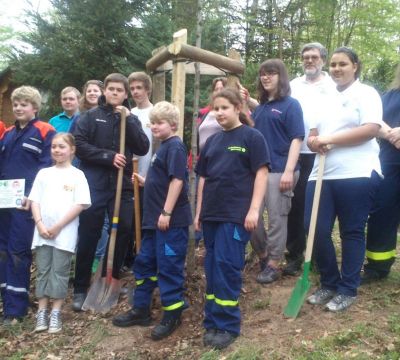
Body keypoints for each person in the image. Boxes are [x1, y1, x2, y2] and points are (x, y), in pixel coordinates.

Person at [306, 47, 382, 312]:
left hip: (357, 172)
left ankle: (348, 288)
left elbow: (371, 129)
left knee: (351, 231)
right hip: (322, 173)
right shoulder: (323, 97)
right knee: (313, 228)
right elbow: (313, 134)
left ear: (355, 66)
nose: (337, 69)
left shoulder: (367, 93)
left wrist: (330, 139)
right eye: (334, 65)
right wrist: (315, 142)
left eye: (343, 64)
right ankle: (329, 282)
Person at [194, 88, 270, 350]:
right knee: (213, 269)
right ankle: (213, 320)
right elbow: (203, 179)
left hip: (235, 215)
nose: (219, 113)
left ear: (238, 108)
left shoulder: (252, 137)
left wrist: (254, 210)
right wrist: (198, 213)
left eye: (224, 107)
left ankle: (228, 324)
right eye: (216, 108)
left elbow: (261, 174)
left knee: (227, 267)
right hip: (211, 215)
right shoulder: (212, 142)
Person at [112, 101, 192, 341]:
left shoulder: (176, 147)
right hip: (152, 222)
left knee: (168, 268)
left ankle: (172, 314)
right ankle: (141, 309)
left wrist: (166, 212)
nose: (154, 126)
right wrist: (146, 181)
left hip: (169, 221)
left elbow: (178, 181)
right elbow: (164, 181)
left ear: (173, 125)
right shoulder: (162, 147)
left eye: (160, 123)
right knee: (144, 264)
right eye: (153, 122)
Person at [71, 73, 149, 311]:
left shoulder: (129, 118)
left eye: (119, 90)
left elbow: (143, 147)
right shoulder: (90, 117)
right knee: (90, 233)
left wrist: (131, 120)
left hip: (121, 184)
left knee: (124, 228)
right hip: (94, 183)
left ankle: (110, 278)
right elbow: (79, 144)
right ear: (105, 91)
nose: (115, 93)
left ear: (126, 94)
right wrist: (107, 156)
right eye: (111, 89)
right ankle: (81, 287)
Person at [0, 86, 55, 324]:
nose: (19, 108)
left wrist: (32, 196)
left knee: (18, 252)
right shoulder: (8, 134)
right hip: (4, 203)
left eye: (24, 104)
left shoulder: (45, 131)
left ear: (34, 107)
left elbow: (47, 168)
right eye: (16, 104)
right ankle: (6, 303)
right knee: (2, 252)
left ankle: (16, 311)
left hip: (26, 205)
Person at [29, 133, 91, 333]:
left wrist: (57, 227)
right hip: (42, 233)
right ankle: (42, 311)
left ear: (72, 149)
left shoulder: (77, 175)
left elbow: (80, 203)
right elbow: (35, 200)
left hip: (63, 234)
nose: (57, 150)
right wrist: (40, 224)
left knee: (60, 272)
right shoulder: (44, 174)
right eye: (54, 146)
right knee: (43, 271)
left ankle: (55, 312)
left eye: (62, 146)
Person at [250, 59, 304, 284]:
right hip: (258, 171)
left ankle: (273, 263)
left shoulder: (291, 105)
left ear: (281, 77)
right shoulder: (260, 108)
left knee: (276, 219)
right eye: (263, 74)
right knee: (251, 219)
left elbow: (297, 138)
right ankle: (263, 256)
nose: (266, 77)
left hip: (281, 169)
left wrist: (289, 171)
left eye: (271, 73)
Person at [285, 43, 336, 276]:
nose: (309, 61)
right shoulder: (294, 85)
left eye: (314, 57)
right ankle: (295, 254)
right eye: (305, 57)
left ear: (322, 60)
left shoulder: (333, 84)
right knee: (294, 206)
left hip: (324, 153)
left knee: (317, 205)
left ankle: (316, 253)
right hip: (297, 152)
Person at [363, 64, 400, 283]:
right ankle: (378, 266)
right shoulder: (388, 96)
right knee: (382, 211)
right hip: (389, 163)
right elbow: (374, 121)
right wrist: (392, 135)